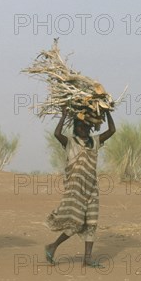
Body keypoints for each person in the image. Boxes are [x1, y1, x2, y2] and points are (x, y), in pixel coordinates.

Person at [45, 107, 116, 268]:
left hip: (91, 188)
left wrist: (106, 112)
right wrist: (63, 116)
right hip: (74, 187)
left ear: (90, 127)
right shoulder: (70, 142)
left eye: (85, 126)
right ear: (75, 128)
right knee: (75, 222)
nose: (83, 129)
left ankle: (87, 259)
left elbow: (112, 130)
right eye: (79, 126)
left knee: (91, 222)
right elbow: (57, 134)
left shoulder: (95, 142)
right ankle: (53, 246)